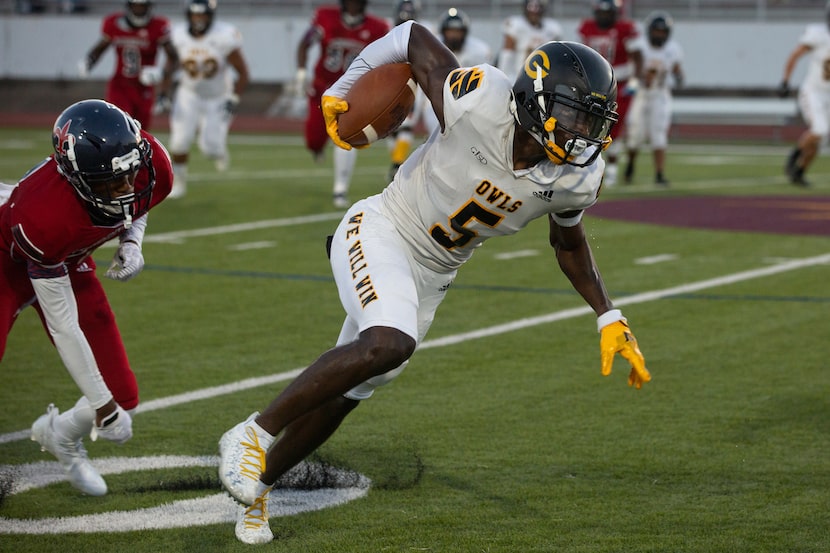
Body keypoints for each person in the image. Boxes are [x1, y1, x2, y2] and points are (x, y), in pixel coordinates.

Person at [218, 22, 651, 545]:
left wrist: (608, 313)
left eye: (592, 118)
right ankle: (252, 433)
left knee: (349, 393)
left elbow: (569, 244)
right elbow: (412, 36)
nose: (584, 131)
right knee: (388, 342)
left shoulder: (576, 177)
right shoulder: (479, 101)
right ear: (535, 101)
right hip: (384, 227)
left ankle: (258, 488)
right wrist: (341, 85)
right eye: (574, 113)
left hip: (433, 274)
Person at [0, 99, 173, 496]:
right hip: (7, 264)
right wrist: (101, 405)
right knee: (109, 402)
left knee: (125, 395)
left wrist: (132, 241)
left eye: (131, 173)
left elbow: (138, 201)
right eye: (112, 183)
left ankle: (60, 435)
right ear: (75, 179)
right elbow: (64, 326)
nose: (127, 188)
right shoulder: (45, 215)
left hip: (67, 259)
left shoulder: (150, 165)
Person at [291, 0, 390, 208]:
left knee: (346, 135)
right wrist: (301, 72)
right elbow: (305, 43)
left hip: (352, 91)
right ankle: (318, 150)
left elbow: (386, 58)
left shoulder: (378, 27)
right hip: (323, 88)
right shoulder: (325, 17)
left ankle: (340, 188)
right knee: (314, 140)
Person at [388, 6, 494, 181]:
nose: (454, 35)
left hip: (468, 101)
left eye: (457, 31)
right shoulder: (432, 45)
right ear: (443, 31)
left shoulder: (479, 50)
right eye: (450, 31)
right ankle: (401, 165)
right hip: (434, 97)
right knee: (434, 131)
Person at [165, 0, 250, 199]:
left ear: (211, 16)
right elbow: (170, 64)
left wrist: (234, 97)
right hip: (189, 93)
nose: (198, 20)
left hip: (218, 96)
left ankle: (219, 151)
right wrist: (163, 90)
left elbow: (243, 72)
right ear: (188, 16)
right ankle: (179, 182)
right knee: (179, 141)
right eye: (195, 15)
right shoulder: (178, 35)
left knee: (210, 147)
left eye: (202, 15)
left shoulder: (224, 36)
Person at [78, 0, 179, 131]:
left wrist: (161, 74)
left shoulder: (158, 26)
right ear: (129, 6)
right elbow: (101, 47)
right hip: (120, 86)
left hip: (144, 88)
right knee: (119, 128)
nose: (139, 10)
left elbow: (174, 58)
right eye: (136, 6)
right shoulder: (114, 24)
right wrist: (89, 61)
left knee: (141, 133)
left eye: (142, 6)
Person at [577, 0, 642, 186]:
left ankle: (611, 168)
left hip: (619, 82)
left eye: (608, 13)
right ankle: (583, 163)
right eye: (601, 13)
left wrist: (635, 81)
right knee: (585, 123)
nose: (604, 17)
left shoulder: (625, 28)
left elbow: (638, 57)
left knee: (614, 125)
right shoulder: (587, 27)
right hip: (594, 83)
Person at [623, 11, 684, 186]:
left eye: (663, 32)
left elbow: (678, 71)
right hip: (640, 94)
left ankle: (659, 173)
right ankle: (631, 164)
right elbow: (633, 74)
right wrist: (642, 78)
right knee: (635, 135)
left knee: (659, 134)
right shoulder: (639, 46)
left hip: (660, 94)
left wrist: (679, 75)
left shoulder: (673, 49)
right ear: (649, 30)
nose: (659, 35)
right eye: (657, 31)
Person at [778, 2, 830, 187]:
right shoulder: (819, 35)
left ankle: (799, 173)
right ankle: (794, 157)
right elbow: (795, 55)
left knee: (820, 141)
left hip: (828, 97)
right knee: (820, 130)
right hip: (813, 92)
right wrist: (785, 81)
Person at [387, 0, 422, 182]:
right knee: (390, 127)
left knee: (406, 125)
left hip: (413, 84)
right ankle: (396, 164)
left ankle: (396, 164)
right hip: (390, 84)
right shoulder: (387, 33)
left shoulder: (423, 34)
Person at [496, 0, 563, 81]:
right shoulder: (516, 25)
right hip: (519, 76)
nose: (534, 16)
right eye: (531, 13)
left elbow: (557, 54)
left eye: (536, 13)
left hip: (545, 76)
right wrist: (503, 76)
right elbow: (507, 55)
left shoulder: (552, 28)